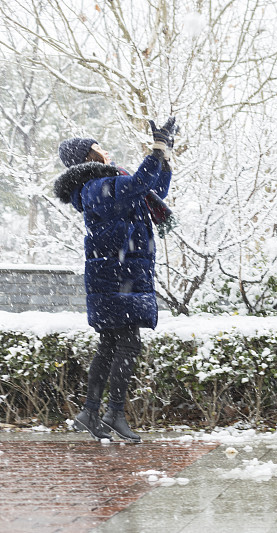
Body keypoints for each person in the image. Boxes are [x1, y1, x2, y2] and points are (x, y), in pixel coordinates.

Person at [53, 118, 179, 442]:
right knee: (128, 344)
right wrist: (156, 150)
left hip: (119, 275)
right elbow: (139, 183)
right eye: (98, 148)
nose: (105, 151)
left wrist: (164, 156)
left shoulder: (108, 182)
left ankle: (90, 412)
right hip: (115, 278)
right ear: (88, 158)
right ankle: (113, 413)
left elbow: (155, 190)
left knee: (110, 345)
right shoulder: (95, 188)